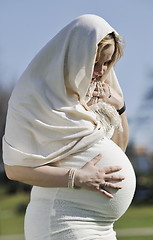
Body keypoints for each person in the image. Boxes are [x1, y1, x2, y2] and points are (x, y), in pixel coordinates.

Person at [3, 14, 136, 240]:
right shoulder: (34, 97)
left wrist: (119, 107)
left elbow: (119, 148)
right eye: (94, 63)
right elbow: (14, 169)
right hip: (62, 221)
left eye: (107, 63)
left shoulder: (92, 97)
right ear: (74, 57)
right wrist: (76, 177)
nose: (101, 71)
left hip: (103, 226)